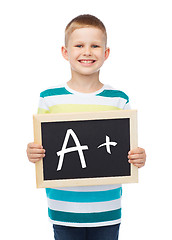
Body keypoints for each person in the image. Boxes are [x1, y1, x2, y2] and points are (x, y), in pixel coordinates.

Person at [27, 14, 146, 240]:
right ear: (65, 52)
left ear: (106, 53)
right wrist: (32, 152)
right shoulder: (49, 98)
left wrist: (139, 156)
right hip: (63, 208)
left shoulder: (118, 99)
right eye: (79, 45)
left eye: (95, 46)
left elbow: (128, 149)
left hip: (107, 208)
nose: (87, 52)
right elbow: (41, 146)